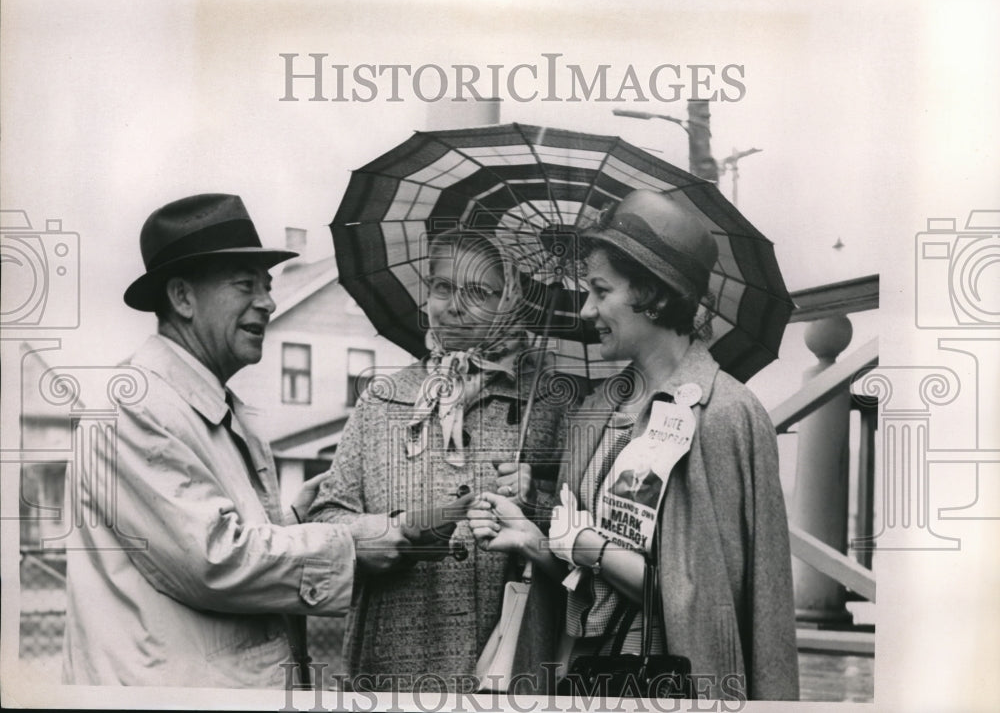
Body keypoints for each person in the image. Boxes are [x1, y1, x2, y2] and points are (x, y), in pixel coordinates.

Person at [61, 193, 409, 688]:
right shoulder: (132, 406)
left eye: (267, 287)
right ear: (183, 298)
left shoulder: (211, 407)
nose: (267, 302)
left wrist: (290, 520)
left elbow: (208, 533)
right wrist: (346, 544)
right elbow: (211, 558)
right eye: (246, 285)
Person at [468, 189, 800, 701]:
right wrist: (533, 539)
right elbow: (577, 578)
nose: (585, 310)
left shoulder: (728, 415)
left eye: (601, 291)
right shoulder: (594, 411)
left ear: (656, 295)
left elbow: (733, 601)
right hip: (582, 681)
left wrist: (590, 547)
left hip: (674, 687)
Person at [308, 228, 565, 692]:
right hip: (395, 668)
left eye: (478, 291)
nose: (454, 304)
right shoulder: (385, 399)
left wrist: (538, 497)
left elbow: (582, 531)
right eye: (442, 286)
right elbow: (326, 515)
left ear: (510, 301)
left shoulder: (547, 403)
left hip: (510, 663)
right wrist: (384, 532)